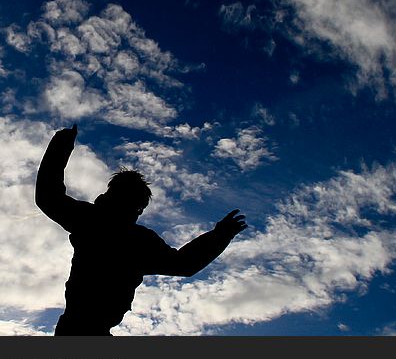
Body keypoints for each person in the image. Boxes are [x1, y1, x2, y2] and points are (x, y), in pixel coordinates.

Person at [36, 124, 247, 335]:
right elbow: (48, 197)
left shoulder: (133, 237)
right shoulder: (96, 222)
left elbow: (183, 264)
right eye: (134, 203)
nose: (136, 210)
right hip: (77, 327)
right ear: (116, 198)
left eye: (139, 206)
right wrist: (60, 147)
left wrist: (220, 235)